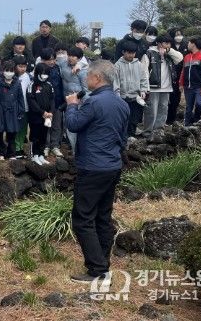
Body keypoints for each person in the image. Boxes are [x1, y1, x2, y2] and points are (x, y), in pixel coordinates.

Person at [66, 60, 129, 284]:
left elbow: (73, 124)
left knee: (83, 218)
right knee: (103, 217)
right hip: (112, 165)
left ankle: (98, 270)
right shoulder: (122, 104)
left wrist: (72, 105)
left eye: (88, 75)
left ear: (97, 78)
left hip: (93, 166)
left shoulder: (93, 102)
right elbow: (123, 138)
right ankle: (103, 264)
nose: (86, 79)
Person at [143, 34, 183, 138]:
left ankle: (158, 131)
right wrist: (145, 87)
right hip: (153, 86)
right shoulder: (149, 53)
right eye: (166, 43)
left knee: (163, 110)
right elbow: (144, 71)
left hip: (167, 87)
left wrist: (168, 51)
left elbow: (180, 58)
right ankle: (147, 132)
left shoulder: (169, 53)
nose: (168, 45)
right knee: (151, 111)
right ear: (158, 43)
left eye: (169, 43)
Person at [113, 41, 149, 138]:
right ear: (123, 52)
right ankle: (122, 137)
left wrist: (143, 90)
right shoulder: (117, 65)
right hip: (122, 97)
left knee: (134, 119)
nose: (131, 55)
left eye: (133, 53)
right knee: (123, 119)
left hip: (135, 97)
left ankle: (131, 137)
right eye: (129, 53)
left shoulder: (139, 65)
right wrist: (117, 95)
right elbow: (115, 82)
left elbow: (143, 78)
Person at [0, 61, 23, 159]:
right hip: (1, 110)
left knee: (12, 133)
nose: (9, 73)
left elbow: (20, 98)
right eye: (7, 70)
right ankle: (0, 153)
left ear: (14, 71)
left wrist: (20, 111)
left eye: (11, 71)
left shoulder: (17, 83)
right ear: (3, 71)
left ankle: (11, 153)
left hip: (13, 110)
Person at [58, 46, 88, 152]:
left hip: (79, 102)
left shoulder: (83, 71)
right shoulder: (63, 64)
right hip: (67, 101)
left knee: (78, 126)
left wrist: (86, 104)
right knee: (68, 126)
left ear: (79, 58)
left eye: (74, 56)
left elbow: (86, 90)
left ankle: (79, 150)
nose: (70, 58)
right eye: (69, 55)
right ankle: (74, 149)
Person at [27, 63, 55, 165]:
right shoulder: (32, 85)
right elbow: (31, 101)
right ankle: (34, 155)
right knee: (35, 135)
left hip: (47, 116)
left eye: (46, 73)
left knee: (43, 135)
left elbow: (52, 99)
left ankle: (41, 155)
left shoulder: (49, 85)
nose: (44, 75)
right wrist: (42, 112)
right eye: (42, 73)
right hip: (35, 116)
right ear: (37, 73)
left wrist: (50, 112)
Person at [179, 37, 201, 127]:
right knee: (189, 107)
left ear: (193, 44)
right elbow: (183, 71)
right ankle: (187, 125)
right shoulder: (186, 57)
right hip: (187, 87)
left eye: (189, 43)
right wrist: (181, 83)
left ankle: (196, 119)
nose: (187, 45)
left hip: (198, 86)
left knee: (199, 104)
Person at [40, 48, 65, 157]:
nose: (52, 62)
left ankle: (55, 146)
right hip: (45, 104)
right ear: (42, 60)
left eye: (53, 59)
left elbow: (61, 85)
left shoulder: (58, 68)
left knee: (57, 125)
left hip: (58, 101)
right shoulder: (40, 70)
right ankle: (46, 146)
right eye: (49, 60)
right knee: (46, 125)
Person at [166, 27, 187, 124]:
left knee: (176, 98)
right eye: (176, 35)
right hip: (169, 73)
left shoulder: (186, 45)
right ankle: (166, 118)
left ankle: (172, 118)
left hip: (181, 74)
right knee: (169, 97)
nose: (179, 36)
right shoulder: (169, 45)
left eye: (180, 34)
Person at [13, 55, 31, 158]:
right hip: (15, 108)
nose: (23, 68)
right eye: (20, 66)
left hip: (26, 107)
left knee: (23, 129)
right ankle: (15, 148)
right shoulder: (12, 77)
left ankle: (20, 148)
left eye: (24, 66)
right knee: (16, 128)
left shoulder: (27, 77)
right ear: (15, 66)